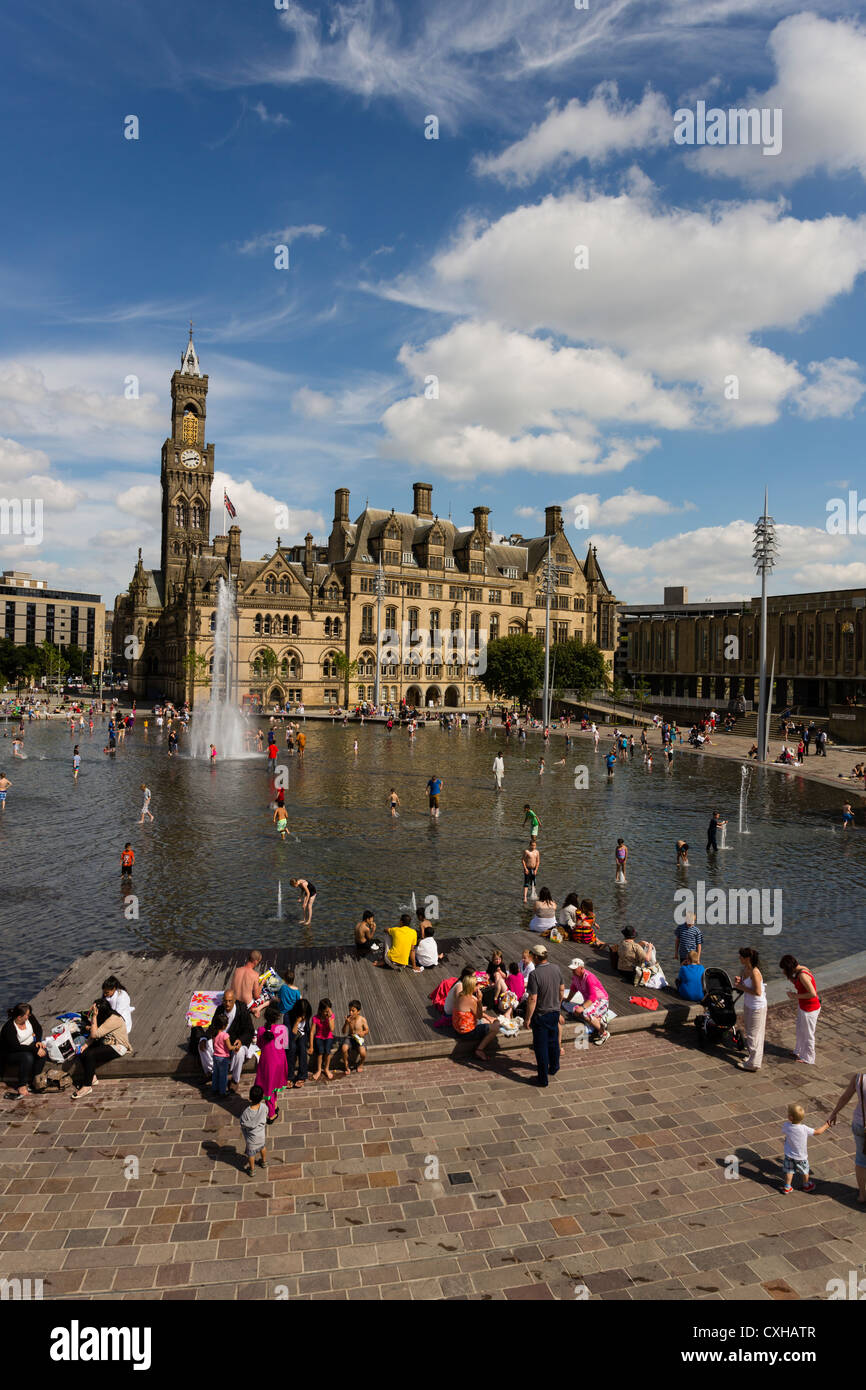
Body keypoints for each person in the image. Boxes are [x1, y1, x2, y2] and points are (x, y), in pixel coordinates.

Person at [72, 998, 134, 1098]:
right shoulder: (103, 1016)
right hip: (105, 1042)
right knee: (83, 1052)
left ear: (101, 1012)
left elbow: (94, 1034)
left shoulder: (113, 1019)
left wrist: (94, 1017)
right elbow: (93, 1036)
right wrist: (84, 1046)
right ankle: (92, 1078)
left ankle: (87, 1086)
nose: (91, 1010)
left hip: (117, 1046)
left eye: (94, 1009)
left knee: (90, 1054)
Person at [198, 988, 255, 1091]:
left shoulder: (242, 1010)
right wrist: (204, 1038)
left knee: (240, 1052)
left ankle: (234, 1080)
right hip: (221, 1041)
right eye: (225, 1001)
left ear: (234, 1000)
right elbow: (213, 1027)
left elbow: (249, 1030)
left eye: (230, 1001)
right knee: (202, 1044)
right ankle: (211, 1072)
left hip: (236, 1042)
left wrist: (241, 1040)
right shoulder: (220, 1009)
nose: (227, 1004)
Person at [524, 944, 565, 1083]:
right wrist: (558, 1007)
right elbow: (561, 990)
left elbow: (532, 999)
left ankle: (542, 1079)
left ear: (535, 957)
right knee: (553, 1042)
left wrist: (528, 1018)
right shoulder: (556, 968)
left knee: (540, 1046)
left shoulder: (534, 974)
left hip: (541, 1015)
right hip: (554, 1012)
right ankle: (554, 1067)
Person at [826, 1070, 866, 1203]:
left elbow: (845, 1098)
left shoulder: (859, 1079)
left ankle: (862, 1194)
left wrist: (834, 1113)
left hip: (861, 1125)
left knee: (861, 1161)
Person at [780, 954, 820, 1064]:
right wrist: (789, 978)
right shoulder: (800, 969)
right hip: (803, 1006)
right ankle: (798, 1051)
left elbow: (812, 993)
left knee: (808, 1034)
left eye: (784, 969)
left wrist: (795, 996)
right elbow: (799, 983)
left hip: (810, 1008)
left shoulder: (802, 975)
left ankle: (809, 1058)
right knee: (800, 1030)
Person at [781, 1102, 829, 1195]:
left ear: (790, 1117)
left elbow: (785, 1132)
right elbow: (818, 1132)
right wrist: (826, 1125)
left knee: (789, 1171)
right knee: (805, 1171)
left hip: (789, 1155)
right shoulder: (804, 1128)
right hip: (801, 1156)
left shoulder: (786, 1125)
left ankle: (787, 1186)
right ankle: (806, 1185)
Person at [1, 1003, 46, 1097]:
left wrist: (38, 1041)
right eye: (27, 1015)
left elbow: (38, 1028)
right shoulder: (8, 1028)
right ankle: (21, 1085)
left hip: (28, 1047)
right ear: (19, 1017)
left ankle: (35, 1081)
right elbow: (15, 1047)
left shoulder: (29, 1017)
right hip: (12, 1053)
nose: (29, 1016)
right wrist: (34, 1049)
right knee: (27, 1057)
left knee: (43, 1052)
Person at [451, 973, 501, 1059]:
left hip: (457, 1028)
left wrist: (488, 1017)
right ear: (471, 987)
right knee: (497, 1026)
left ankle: (488, 1024)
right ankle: (479, 1050)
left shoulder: (461, 995)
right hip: (466, 1033)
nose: (479, 986)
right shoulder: (471, 1000)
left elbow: (474, 1012)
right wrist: (480, 1000)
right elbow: (479, 1016)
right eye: (477, 985)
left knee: (489, 1021)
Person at [564, 958, 610, 1045]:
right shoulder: (576, 977)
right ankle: (599, 1019)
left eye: (574, 969)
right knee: (575, 1011)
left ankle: (604, 1033)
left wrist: (583, 1007)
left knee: (585, 1013)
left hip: (601, 1000)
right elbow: (573, 989)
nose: (573, 971)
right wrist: (567, 1000)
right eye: (572, 969)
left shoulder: (589, 978)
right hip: (590, 1001)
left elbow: (593, 996)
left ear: (581, 968)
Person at [734, 947, 766, 1071]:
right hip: (749, 1004)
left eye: (741, 956)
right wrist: (740, 981)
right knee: (750, 1032)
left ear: (747, 958)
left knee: (754, 1035)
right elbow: (747, 984)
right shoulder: (745, 969)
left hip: (757, 1007)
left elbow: (758, 992)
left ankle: (754, 1064)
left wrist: (741, 987)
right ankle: (752, 1057)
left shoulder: (755, 972)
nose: (739, 958)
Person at [254, 1006, 289, 1122]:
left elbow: (259, 1045)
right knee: (274, 1085)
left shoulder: (260, 1030)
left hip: (267, 1063)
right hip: (280, 1062)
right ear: (278, 1017)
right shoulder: (282, 1029)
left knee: (268, 1087)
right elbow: (284, 1045)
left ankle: (271, 1114)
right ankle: (274, 1104)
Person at [240, 1084, 268, 1177]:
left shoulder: (246, 1112)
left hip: (252, 1140)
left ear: (250, 1097)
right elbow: (266, 1114)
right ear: (262, 1097)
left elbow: (243, 1123)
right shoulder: (264, 1107)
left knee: (251, 1154)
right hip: (261, 1136)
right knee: (262, 1147)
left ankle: (252, 1170)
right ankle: (264, 1162)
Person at [285, 997, 312, 1088]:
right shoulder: (287, 1016)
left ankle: (302, 1075)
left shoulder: (306, 1016)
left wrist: (310, 1045)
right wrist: (296, 1022)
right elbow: (290, 1036)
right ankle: (290, 1076)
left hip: (302, 1036)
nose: (304, 1017)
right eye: (302, 1015)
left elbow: (307, 1030)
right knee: (292, 1048)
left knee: (302, 1048)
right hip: (291, 1036)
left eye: (305, 1015)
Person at [338, 1000, 369, 1074]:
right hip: (350, 1037)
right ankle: (346, 1065)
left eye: (353, 1011)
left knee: (363, 1053)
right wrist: (346, 1023)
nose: (350, 1013)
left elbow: (367, 1030)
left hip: (358, 1038)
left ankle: (361, 1064)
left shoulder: (362, 1019)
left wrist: (363, 1032)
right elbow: (343, 1031)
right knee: (344, 1048)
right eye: (350, 1010)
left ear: (358, 1011)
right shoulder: (349, 1019)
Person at [311, 998, 337, 1081]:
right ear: (321, 1010)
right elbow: (312, 1032)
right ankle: (319, 1070)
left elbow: (332, 1029)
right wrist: (311, 1046)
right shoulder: (315, 1018)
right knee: (320, 1052)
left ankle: (326, 1068)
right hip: (319, 1037)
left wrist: (329, 1018)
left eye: (329, 1011)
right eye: (326, 1011)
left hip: (328, 1036)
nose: (327, 1013)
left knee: (328, 1051)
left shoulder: (331, 1016)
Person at [210, 1010, 232, 1097]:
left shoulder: (214, 1034)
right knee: (223, 1076)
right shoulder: (225, 1035)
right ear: (224, 1026)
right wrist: (235, 1047)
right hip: (223, 1058)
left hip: (215, 1056)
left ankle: (214, 1088)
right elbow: (229, 1047)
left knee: (215, 1073)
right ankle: (222, 1092)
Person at [522, 838, 540, 903]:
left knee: (534, 882)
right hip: (528, 868)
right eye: (532, 845)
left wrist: (536, 870)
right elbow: (523, 860)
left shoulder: (537, 852)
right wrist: (525, 868)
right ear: (530, 845)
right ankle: (525, 897)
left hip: (534, 869)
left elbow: (538, 861)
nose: (533, 847)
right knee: (526, 883)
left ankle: (533, 895)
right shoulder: (527, 851)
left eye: (534, 845)